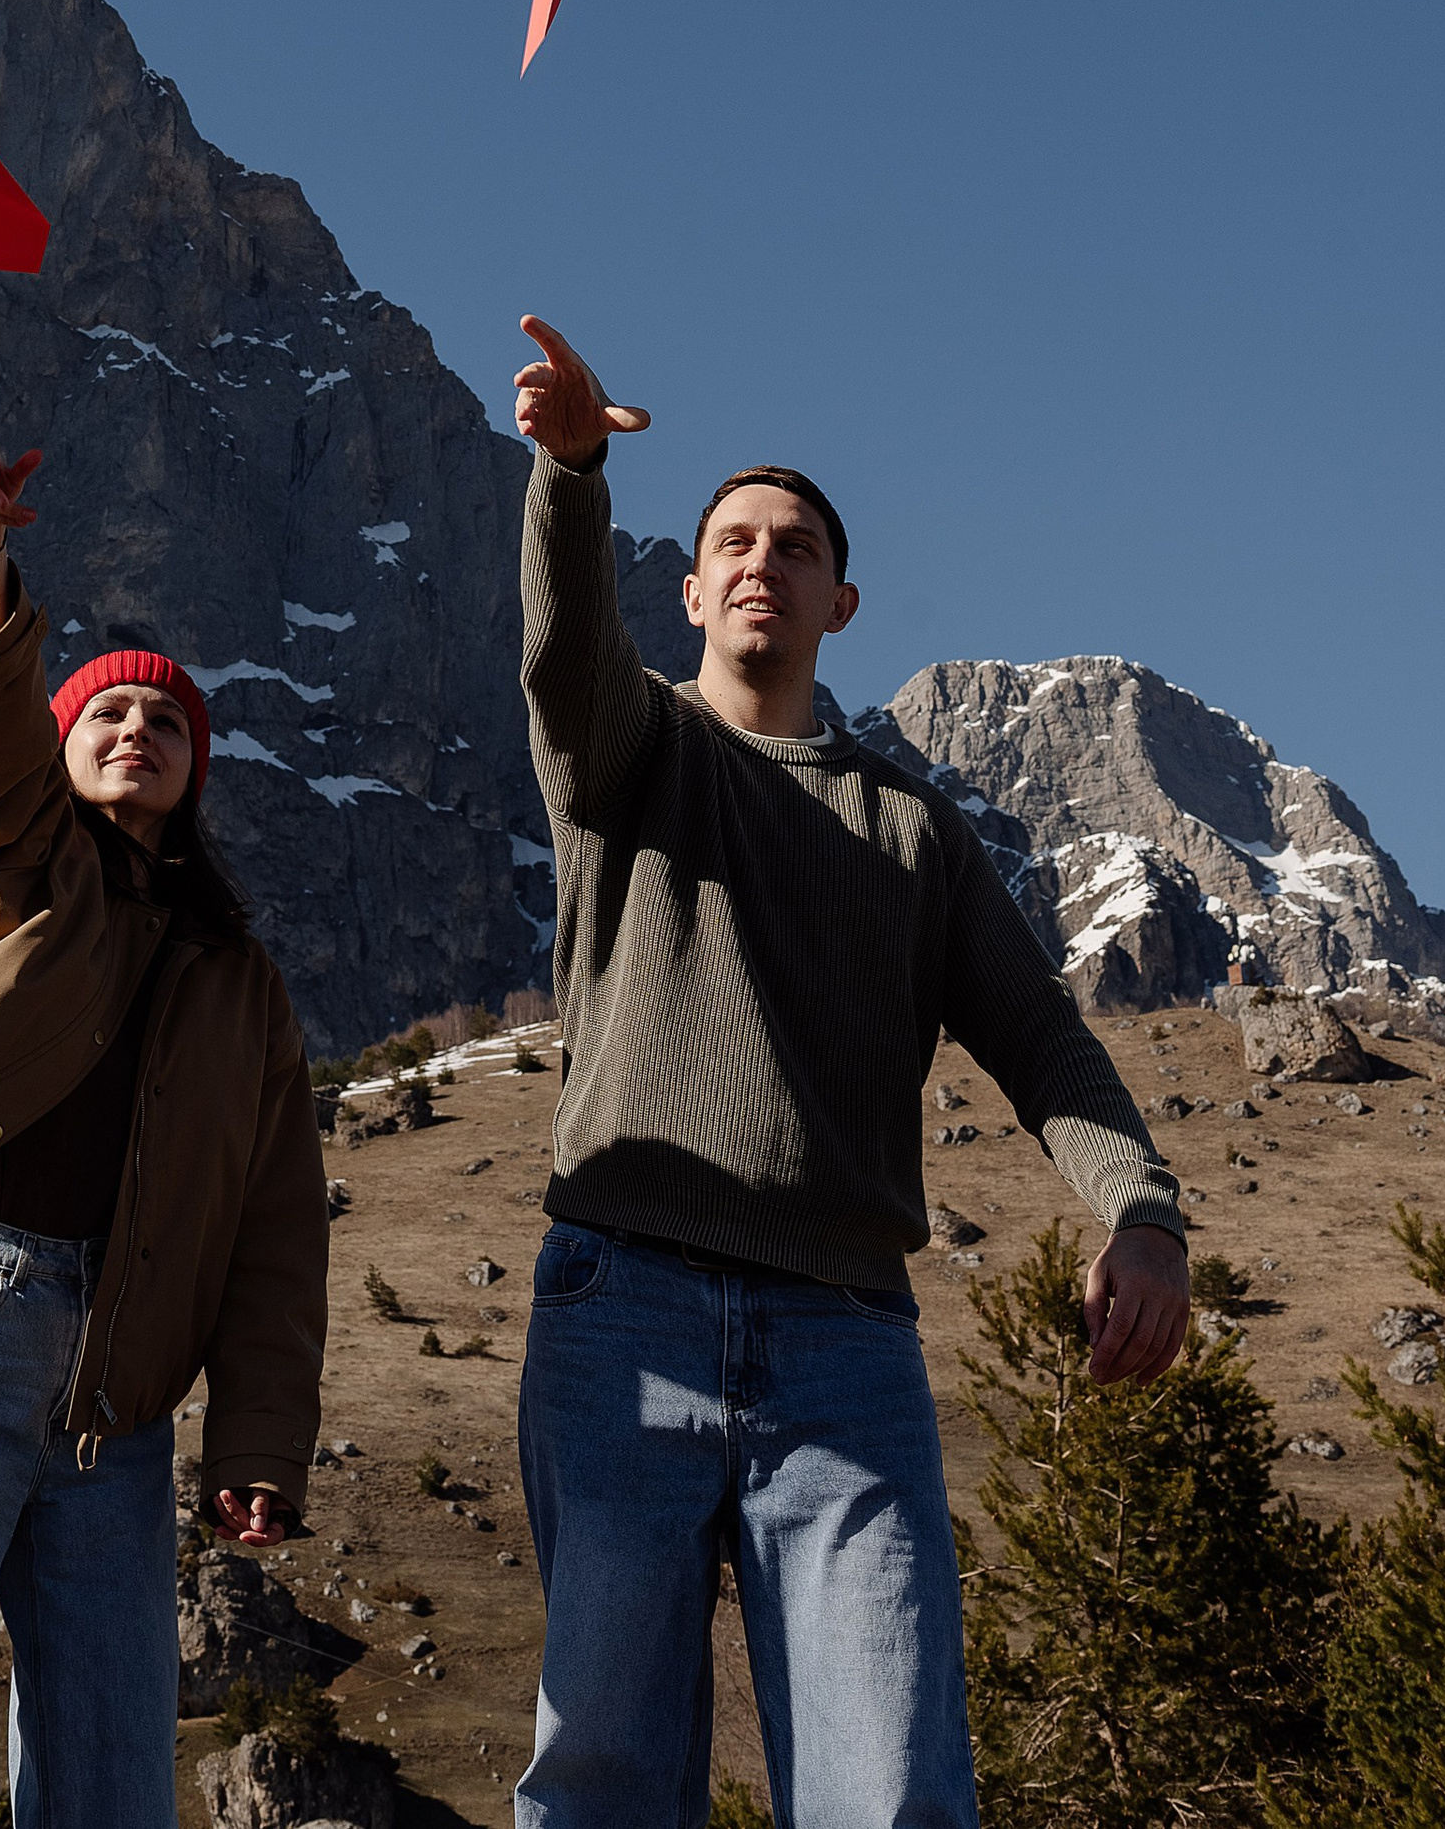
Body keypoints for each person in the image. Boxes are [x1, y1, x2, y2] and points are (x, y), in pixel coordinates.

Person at [507, 317, 1190, 1829]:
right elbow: (563, 665)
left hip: (849, 1349)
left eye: (795, 544)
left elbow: (1043, 1037)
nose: (762, 560)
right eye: (733, 540)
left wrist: (1141, 1214)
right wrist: (570, 478)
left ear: (840, 600)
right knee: (603, 1772)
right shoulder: (627, 757)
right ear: (687, 590)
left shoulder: (917, 834)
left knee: (891, 1785)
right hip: (626, 1312)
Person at [0, 446, 328, 1829]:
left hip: (118, 1408)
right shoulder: (14, 870)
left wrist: (259, 1451)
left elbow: (275, 1231)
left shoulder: (242, 984)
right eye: (107, 714)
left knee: (109, 1802)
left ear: (194, 767)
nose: (136, 729)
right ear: (69, 744)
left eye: (165, 720)